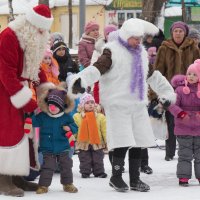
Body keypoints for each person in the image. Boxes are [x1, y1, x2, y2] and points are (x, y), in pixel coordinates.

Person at [68, 18, 176, 192]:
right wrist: (81, 80)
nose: (137, 42)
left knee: (138, 142)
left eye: (140, 39)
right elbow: (97, 68)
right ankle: (116, 177)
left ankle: (135, 179)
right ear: (126, 36)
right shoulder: (112, 51)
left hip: (137, 104)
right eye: (134, 38)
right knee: (122, 141)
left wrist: (167, 92)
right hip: (118, 103)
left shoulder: (141, 53)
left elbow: (153, 75)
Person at [0, 4, 53, 197]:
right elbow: (5, 72)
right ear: (29, 24)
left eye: (44, 29)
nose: (42, 32)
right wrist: (24, 99)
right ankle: (3, 179)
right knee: (8, 132)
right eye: (40, 28)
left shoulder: (32, 37)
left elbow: (34, 66)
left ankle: (16, 176)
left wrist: (46, 88)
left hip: (18, 89)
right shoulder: (9, 36)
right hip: (4, 90)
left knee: (24, 132)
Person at [154, 21, 200, 161]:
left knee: (191, 120)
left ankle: (191, 149)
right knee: (171, 121)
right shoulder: (164, 48)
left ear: (184, 33)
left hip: (191, 91)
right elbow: (158, 71)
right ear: (172, 33)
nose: (178, 33)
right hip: (170, 90)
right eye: (175, 31)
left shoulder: (194, 48)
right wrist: (155, 92)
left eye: (180, 31)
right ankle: (170, 152)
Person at [32, 86, 78, 194]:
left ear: (61, 106)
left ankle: (68, 184)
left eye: (55, 106)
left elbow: (75, 127)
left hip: (63, 147)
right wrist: (34, 114)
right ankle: (43, 186)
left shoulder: (66, 117)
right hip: (47, 147)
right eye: (50, 105)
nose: (52, 108)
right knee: (48, 166)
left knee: (66, 166)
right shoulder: (43, 116)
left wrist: (70, 128)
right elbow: (34, 122)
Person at [168, 59, 200, 186]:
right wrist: (180, 113)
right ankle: (183, 177)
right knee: (184, 153)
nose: (191, 77)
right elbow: (172, 105)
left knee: (199, 154)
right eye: (189, 74)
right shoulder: (180, 90)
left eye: (195, 74)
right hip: (183, 127)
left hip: (198, 127)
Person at [73, 93, 107, 178]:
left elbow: (104, 130)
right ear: (82, 105)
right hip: (83, 143)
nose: (90, 104)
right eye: (87, 103)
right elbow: (75, 129)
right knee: (84, 158)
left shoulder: (100, 116)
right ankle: (85, 172)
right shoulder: (77, 117)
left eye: (92, 102)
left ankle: (99, 172)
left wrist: (106, 141)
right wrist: (73, 139)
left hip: (97, 142)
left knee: (98, 158)